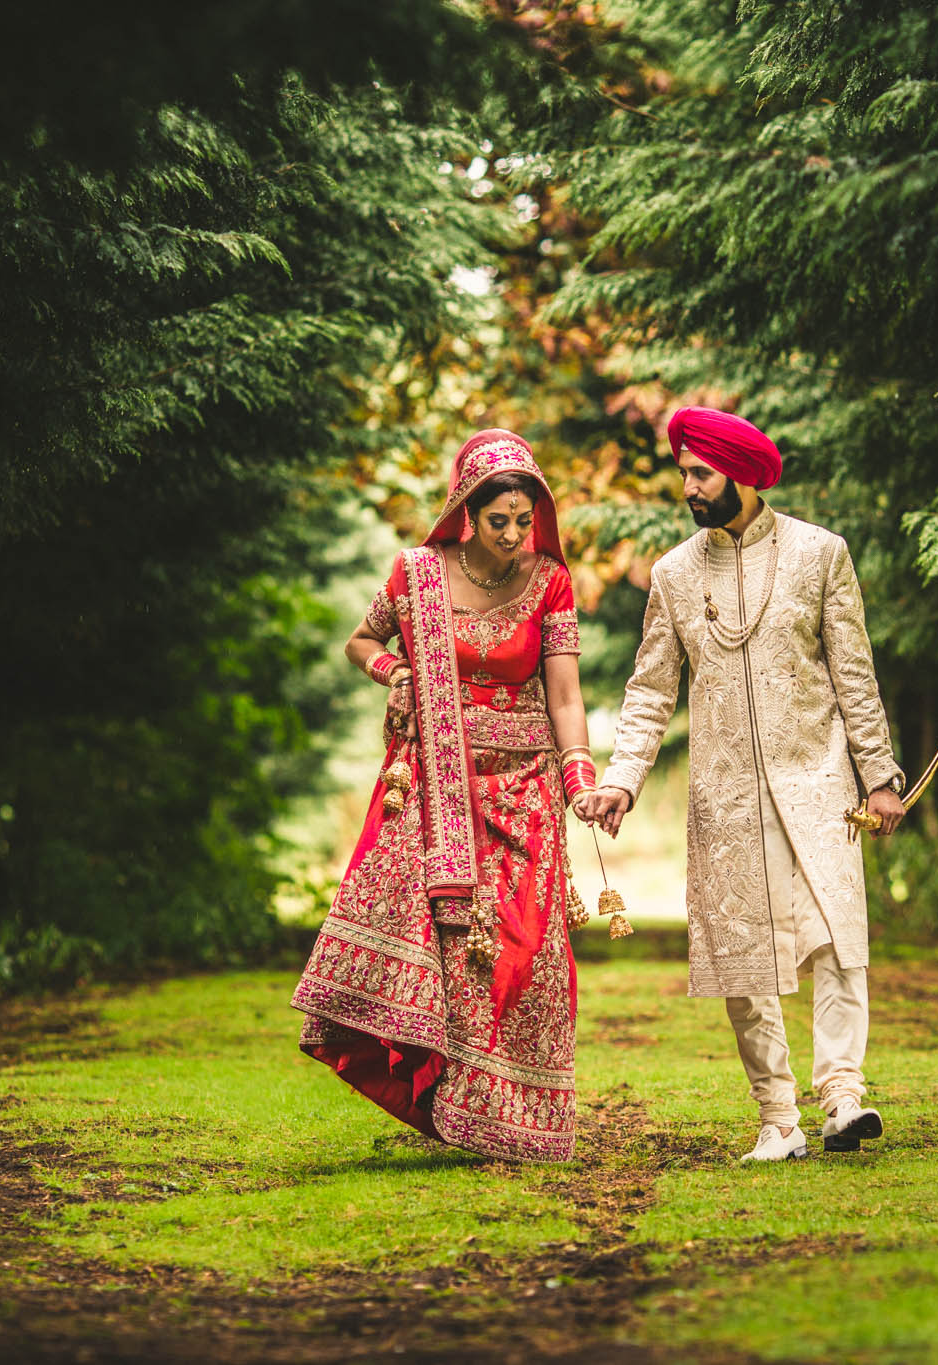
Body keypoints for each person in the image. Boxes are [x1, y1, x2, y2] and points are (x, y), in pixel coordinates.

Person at [581, 407, 906, 1162]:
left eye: (701, 473)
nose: (689, 487)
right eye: (685, 473)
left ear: (744, 474)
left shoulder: (821, 555)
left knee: (836, 937)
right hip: (724, 795)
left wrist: (880, 776)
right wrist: (623, 781)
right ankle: (777, 1118)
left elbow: (854, 674)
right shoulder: (672, 574)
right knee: (743, 958)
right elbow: (650, 689)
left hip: (818, 782)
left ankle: (843, 1097)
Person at [291, 428, 599, 1163]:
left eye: (527, 520)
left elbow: (564, 693)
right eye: (502, 522)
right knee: (459, 951)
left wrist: (580, 772)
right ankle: (462, 1109)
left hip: (525, 790)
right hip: (440, 791)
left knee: (526, 953)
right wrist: (393, 672)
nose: (517, 535)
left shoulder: (551, 578)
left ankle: (519, 1113)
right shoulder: (416, 574)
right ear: (467, 509)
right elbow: (360, 641)